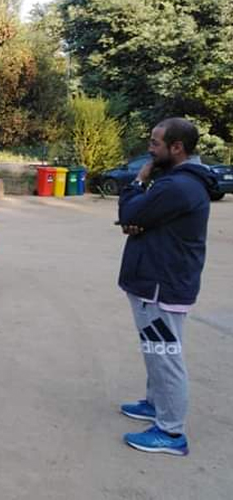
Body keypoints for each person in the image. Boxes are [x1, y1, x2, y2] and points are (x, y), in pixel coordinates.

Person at [117, 117, 216, 456]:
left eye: (155, 143)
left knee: (165, 355)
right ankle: (155, 403)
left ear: (177, 148)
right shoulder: (175, 182)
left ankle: (171, 432)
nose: (149, 149)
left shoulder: (178, 186)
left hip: (161, 284)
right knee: (155, 349)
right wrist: (138, 220)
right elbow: (140, 219)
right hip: (156, 279)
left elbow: (131, 213)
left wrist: (137, 184)